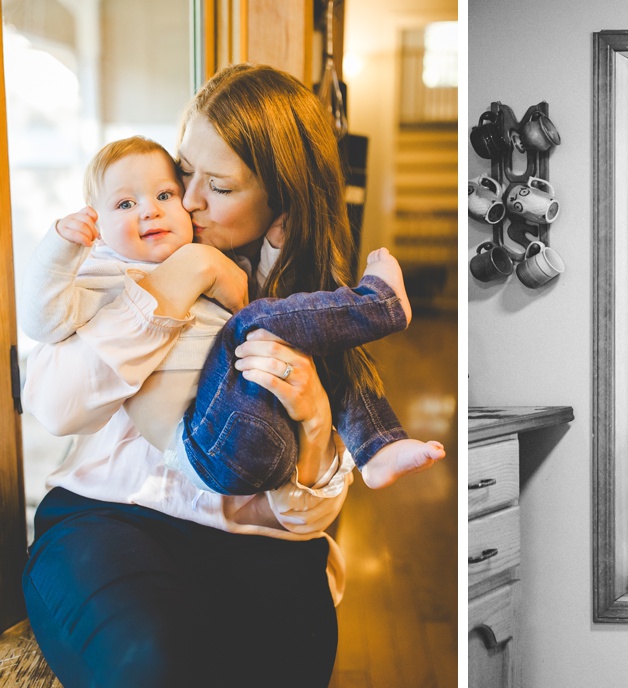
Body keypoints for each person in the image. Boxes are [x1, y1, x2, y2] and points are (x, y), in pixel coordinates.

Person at [20, 64, 433, 687]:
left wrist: (316, 430)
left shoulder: (303, 307)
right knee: (152, 668)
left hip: (254, 540)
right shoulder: (114, 262)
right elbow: (55, 406)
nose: (184, 201)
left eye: (219, 186)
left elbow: (304, 521)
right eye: (185, 171)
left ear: (279, 201)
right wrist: (187, 272)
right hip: (106, 517)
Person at [19, 135, 443, 495]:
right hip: (208, 446)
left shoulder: (220, 261)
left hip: (264, 436)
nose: (149, 210)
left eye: (164, 195)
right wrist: (61, 247)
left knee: (318, 341)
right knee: (255, 325)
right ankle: (380, 304)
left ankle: (377, 447)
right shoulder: (103, 272)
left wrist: (273, 260)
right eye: (125, 204)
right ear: (97, 224)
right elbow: (45, 320)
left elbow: (249, 299)